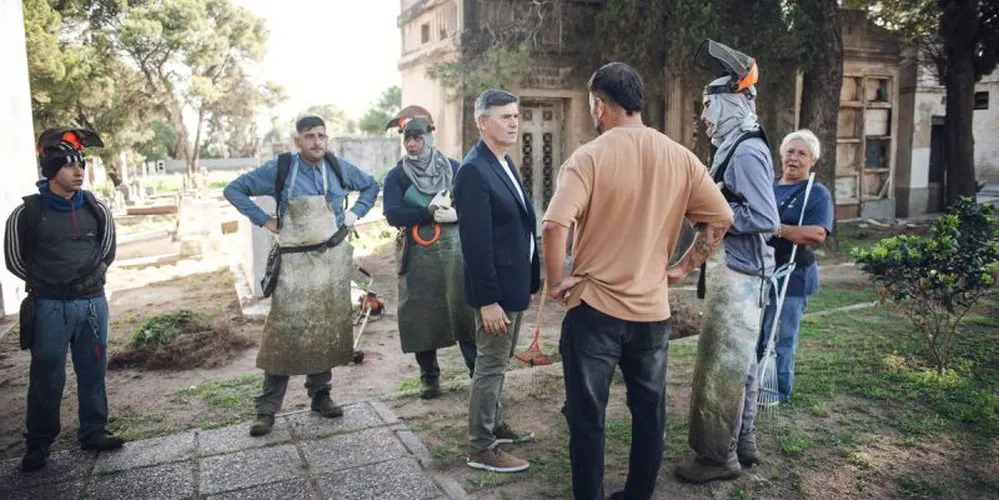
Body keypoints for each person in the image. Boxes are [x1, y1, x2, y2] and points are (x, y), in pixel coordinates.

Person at [542, 62, 734, 500]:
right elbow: (721, 218)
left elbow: (554, 226)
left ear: (600, 105)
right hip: (651, 313)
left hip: (593, 312)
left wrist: (556, 282)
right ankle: (638, 495)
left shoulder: (588, 158)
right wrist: (684, 266)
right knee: (650, 414)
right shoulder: (681, 157)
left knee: (587, 417)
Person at [224, 115, 379, 437]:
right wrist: (264, 220)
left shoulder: (338, 168)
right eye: (310, 136)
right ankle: (266, 410)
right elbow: (234, 190)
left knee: (324, 328)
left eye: (322, 136)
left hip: (330, 261)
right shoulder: (280, 169)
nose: (317, 142)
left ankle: (321, 397)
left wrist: (352, 215)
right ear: (298, 141)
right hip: (293, 265)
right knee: (283, 333)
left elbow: (371, 185)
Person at [675, 40, 781, 484]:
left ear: (733, 103)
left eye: (708, 105)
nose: (704, 115)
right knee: (743, 364)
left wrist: (711, 215)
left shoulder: (748, 151)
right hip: (736, 271)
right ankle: (746, 441)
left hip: (742, 273)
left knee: (723, 365)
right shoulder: (733, 148)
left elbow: (766, 217)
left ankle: (719, 459)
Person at [5, 127, 124, 472]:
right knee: (46, 375)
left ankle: (94, 430)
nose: (78, 171)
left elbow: (107, 250)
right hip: (49, 307)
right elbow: (14, 259)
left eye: (81, 164)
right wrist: (50, 284)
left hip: (91, 305)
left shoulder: (96, 208)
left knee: (93, 371)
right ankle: (38, 443)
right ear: (52, 168)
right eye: (70, 165)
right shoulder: (26, 213)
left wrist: (89, 280)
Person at [453, 89, 539, 473]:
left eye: (516, 115)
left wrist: (531, 280)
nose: (514, 122)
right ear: (481, 121)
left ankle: (495, 424)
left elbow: (520, 226)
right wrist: (488, 300)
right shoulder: (473, 170)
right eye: (505, 116)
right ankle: (481, 447)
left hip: (513, 284)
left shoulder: (502, 161)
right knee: (489, 366)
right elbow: (475, 243)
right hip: (495, 292)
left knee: (499, 363)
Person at [382, 115, 477, 400]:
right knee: (421, 314)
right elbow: (392, 214)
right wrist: (426, 213)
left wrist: (457, 213)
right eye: (407, 139)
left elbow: (472, 201)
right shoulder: (397, 176)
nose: (412, 145)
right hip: (418, 256)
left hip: (456, 254)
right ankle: (430, 378)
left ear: (429, 138)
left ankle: (479, 374)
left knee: (464, 311)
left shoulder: (454, 168)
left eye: (417, 138)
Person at [757, 129, 833, 402]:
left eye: (802, 154)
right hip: (762, 273)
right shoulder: (769, 186)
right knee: (759, 334)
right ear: (781, 155)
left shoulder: (816, 193)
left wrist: (777, 229)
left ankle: (779, 391)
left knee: (783, 337)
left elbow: (818, 234)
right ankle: (754, 384)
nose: (794, 158)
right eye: (790, 151)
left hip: (793, 275)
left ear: (812, 160)